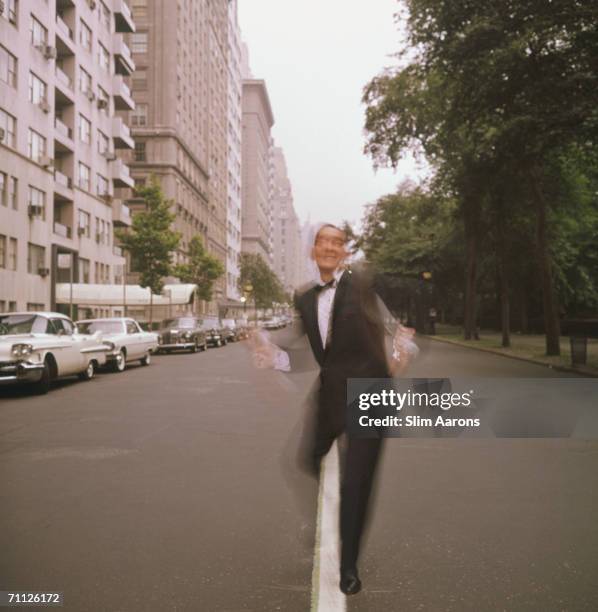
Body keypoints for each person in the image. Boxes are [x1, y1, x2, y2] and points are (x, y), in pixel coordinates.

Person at [249, 223, 415, 596]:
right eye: (323, 241)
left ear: (344, 252)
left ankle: (349, 565)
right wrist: (270, 355)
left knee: (358, 483)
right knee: (304, 459)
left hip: (372, 393)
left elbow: (392, 323)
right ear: (313, 250)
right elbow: (303, 356)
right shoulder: (305, 297)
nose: (329, 247)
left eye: (337, 242)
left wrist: (402, 348)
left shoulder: (361, 284)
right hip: (330, 395)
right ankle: (331, 513)